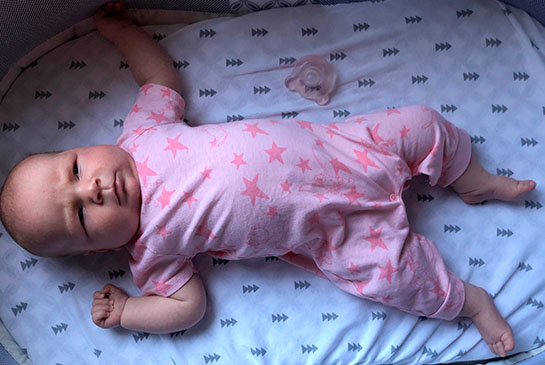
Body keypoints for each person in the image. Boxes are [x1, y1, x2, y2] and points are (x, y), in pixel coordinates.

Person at [0, 1, 536, 357]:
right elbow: (189, 309)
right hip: (334, 232)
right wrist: (128, 312)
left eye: (74, 170)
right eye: (81, 215)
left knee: (421, 124)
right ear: (98, 252)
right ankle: (472, 302)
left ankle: (474, 178)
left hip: (347, 150)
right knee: (396, 279)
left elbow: (158, 77)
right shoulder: (150, 254)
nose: (91, 189)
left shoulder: (140, 133)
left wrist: (121, 32)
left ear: (81, 149)